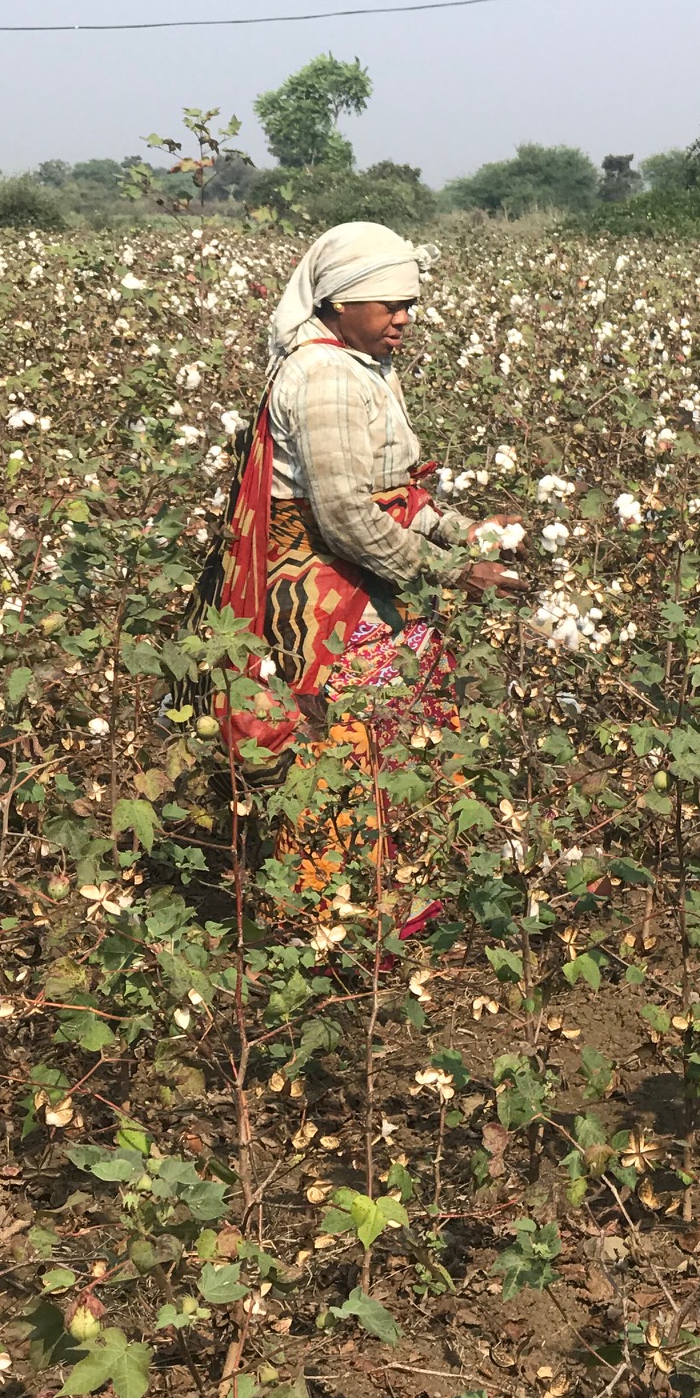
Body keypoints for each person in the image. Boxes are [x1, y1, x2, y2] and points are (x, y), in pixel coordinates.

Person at [185, 221, 521, 917]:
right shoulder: (326, 378)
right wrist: (455, 571)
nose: (404, 319)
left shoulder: (359, 367)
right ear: (339, 303)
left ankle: (396, 911)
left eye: (409, 305)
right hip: (326, 595)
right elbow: (344, 515)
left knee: (397, 730)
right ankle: (337, 919)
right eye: (388, 305)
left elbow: (391, 492)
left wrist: (465, 533)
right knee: (346, 740)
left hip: (361, 579)